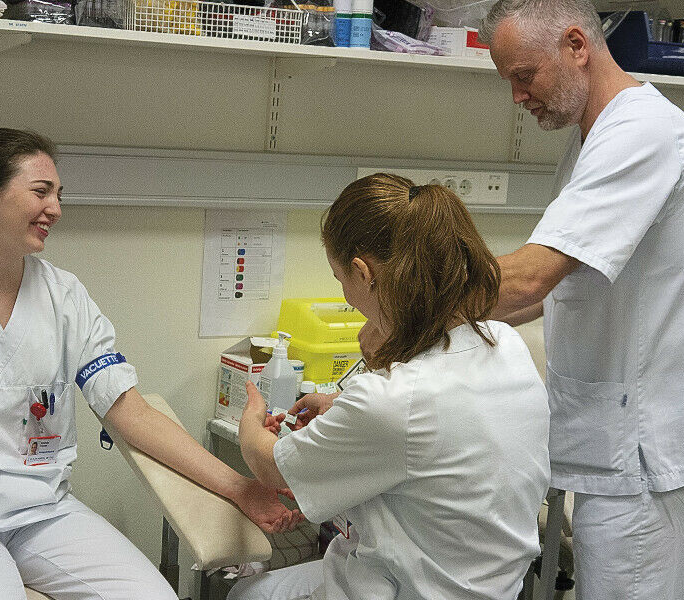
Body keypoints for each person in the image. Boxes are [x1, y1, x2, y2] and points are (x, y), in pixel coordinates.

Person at [0, 128, 301, 599]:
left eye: (58, 195)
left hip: (43, 510)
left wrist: (238, 487)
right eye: (41, 192)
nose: (56, 209)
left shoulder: (64, 296)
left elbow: (128, 411)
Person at [479, 1, 684, 597]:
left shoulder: (643, 132)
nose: (517, 97)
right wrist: (431, 325)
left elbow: (531, 279)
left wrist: (411, 299)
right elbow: (546, 293)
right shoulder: (591, 138)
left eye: (524, 75)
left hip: (650, 453)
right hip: (614, 440)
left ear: (576, 44)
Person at [230, 174, 551, 600]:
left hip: (408, 591)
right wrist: (345, 406)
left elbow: (271, 466)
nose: (346, 294)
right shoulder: (505, 343)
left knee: (247, 594)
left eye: (341, 279)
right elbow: (439, 425)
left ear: (363, 273)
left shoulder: (393, 402)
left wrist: (250, 420)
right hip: (489, 586)